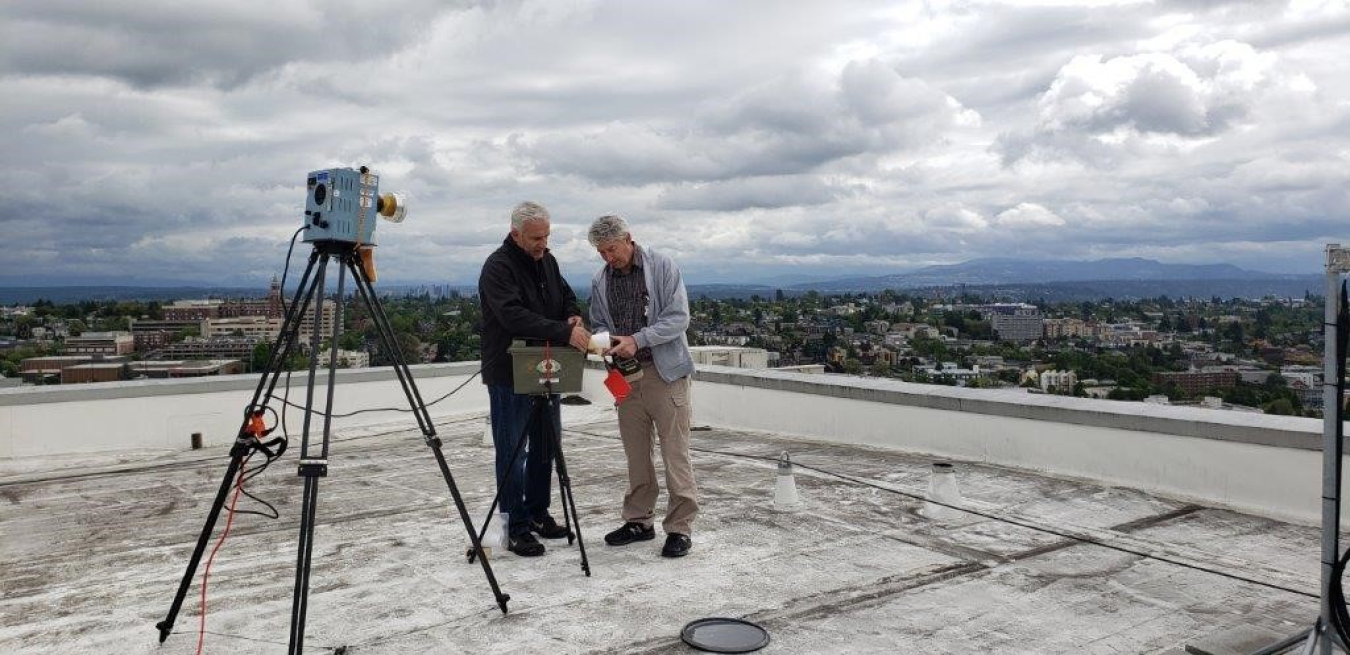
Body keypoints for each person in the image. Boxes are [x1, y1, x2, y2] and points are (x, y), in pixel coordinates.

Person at [478, 201, 590, 557]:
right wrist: (563, 332)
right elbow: (513, 317)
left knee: (545, 446)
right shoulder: (498, 267)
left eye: (546, 236)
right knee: (513, 451)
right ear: (516, 234)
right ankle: (516, 525)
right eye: (536, 238)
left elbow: (567, 297)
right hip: (509, 373)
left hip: (547, 368)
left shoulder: (548, 261)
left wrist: (572, 316)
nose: (543, 244)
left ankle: (539, 513)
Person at [586, 215, 698, 558]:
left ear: (629, 239)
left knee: (674, 452)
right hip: (624, 376)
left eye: (612, 249)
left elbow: (679, 318)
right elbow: (599, 321)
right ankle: (639, 521)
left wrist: (637, 339)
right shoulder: (601, 279)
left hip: (664, 374)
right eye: (602, 252)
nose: (608, 258)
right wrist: (604, 342)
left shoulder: (661, 266)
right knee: (635, 453)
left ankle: (680, 528)